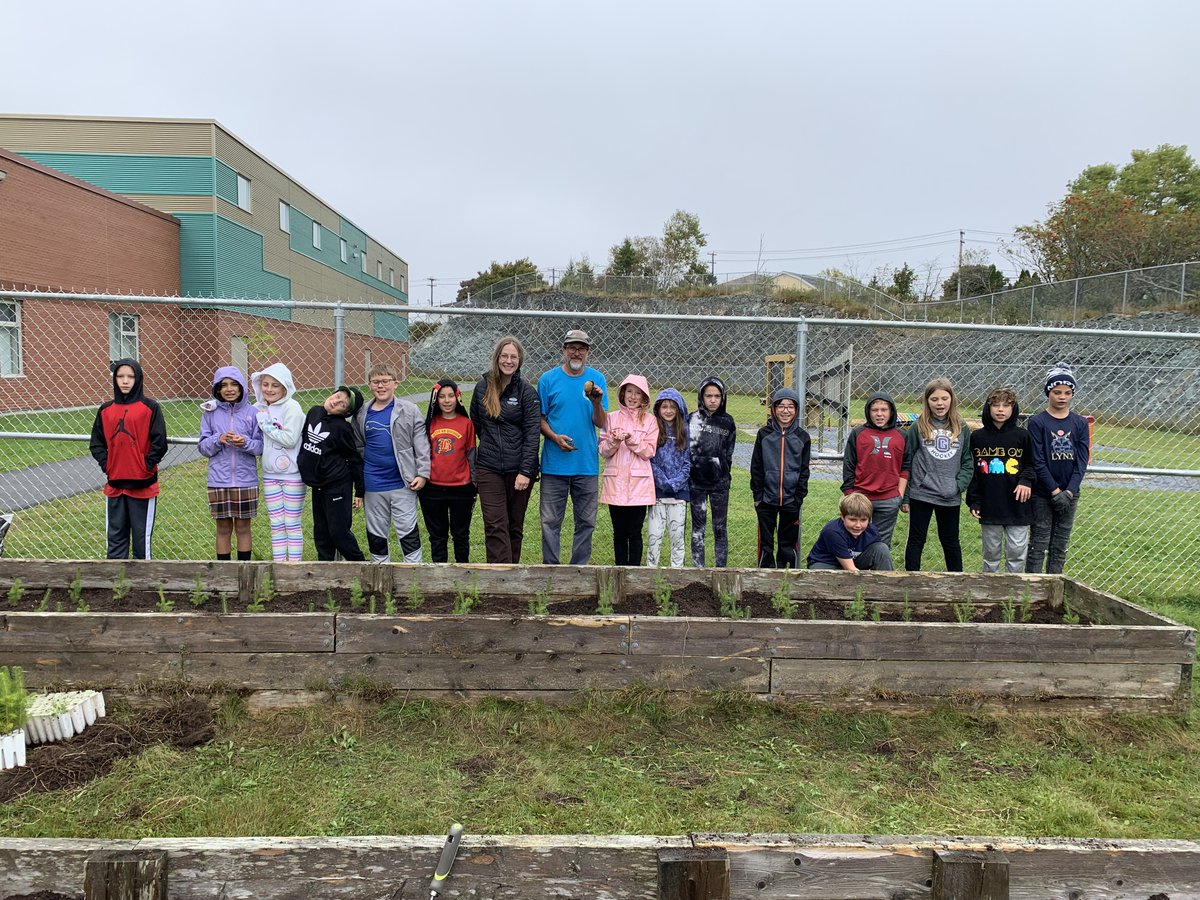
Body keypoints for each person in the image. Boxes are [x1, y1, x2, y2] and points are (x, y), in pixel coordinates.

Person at [539, 328, 608, 565]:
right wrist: (554, 437)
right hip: (554, 464)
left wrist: (596, 403)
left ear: (588, 352)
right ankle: (552, 571)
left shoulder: (597, 380)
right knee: (549, 522)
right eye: (572, 347)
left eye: (581, 348)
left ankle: (578, 570)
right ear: (563, 350)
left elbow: (601, 422)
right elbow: (540, 418)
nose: (576, 352)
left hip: (585, 464)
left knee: (586, 522)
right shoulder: (547, 380)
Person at [471, 336, 541, 563]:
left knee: (514, 525)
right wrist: (493, 447)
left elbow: (532, 434)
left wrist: (524, 471)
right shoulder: (482, 387)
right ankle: (499, 576)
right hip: (488, 468)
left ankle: (511, 576)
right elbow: (477, 424)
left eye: (513, 357)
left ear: (519, 361)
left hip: (519, 470)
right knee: (494, 524)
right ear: (497, 358)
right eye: (504, 356)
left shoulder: (527, 392)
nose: (508, 361)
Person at [89, 358, 168, 560]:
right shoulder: (106, 410)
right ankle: (117, 585)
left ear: (138, 379)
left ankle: (142, 586)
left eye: (130, 376)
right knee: (115, 539)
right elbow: (96, 443)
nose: (125, 381)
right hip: (115, 485)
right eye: (120, 376)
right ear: (114, 379)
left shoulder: (150, 408)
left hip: (143, 485)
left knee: (142, 541)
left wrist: (145, 466)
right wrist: (108, 465)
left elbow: (159, 442)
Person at [352, 364, 431, 564]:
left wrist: (422, 473)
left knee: (407, 529)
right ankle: (380, 570)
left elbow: (421, 443)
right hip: (373, 484)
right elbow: (358, 444)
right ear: (369, 385)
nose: (381, 386)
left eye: (385, 381)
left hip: (402, 482)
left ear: (395, 383)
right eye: (376, 382)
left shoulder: (409, 410)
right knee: (376, 531)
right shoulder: (362, 413)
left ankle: (412, 572)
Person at [901, 377, 972, 571]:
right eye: (934, 399)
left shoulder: (962, 427)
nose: (939, 403)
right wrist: (905, 497)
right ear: (927, 401)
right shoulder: (918, 427)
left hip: (950, 495)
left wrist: (957, 486)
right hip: (921, 493)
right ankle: (911, 581)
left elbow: (967, 461)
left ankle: (957, 582)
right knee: (917, 539)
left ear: (951, 399)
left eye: (944, 398)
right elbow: (907, 461)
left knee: (950, 541)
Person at [1026, 362, 1090, 574]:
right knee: (1039, 543)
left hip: (1070, 493)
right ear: (1048, 392)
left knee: (1060, 544)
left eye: (1067, 392)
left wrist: (1069, 491)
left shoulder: (1079, 423)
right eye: (1057, 392)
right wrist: (1054, 490)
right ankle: (1032, 589)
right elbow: (1038, 459)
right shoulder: (1037, 422)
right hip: (1044, 493)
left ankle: (1054, 585)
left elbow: (1082, 460)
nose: (1062, 396)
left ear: (1072, 394)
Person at [966, 387, 1034, 573]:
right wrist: (975, 500)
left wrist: (1026, 481)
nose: (1001, 409)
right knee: (991, 553)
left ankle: (1014, 592)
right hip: (990, 505)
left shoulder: (1023, 436)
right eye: (996, 405)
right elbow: (974, 472)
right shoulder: (977, 437)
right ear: (989, 408)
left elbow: (1031, 464)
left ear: (1014, 409)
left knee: (1016, 552)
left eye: (1006, 405)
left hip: (1017, 505)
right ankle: (991, 590)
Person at [198, 366, 263, 561]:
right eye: (223, 385)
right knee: (223, 527)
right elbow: (203, 446)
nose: (229, 389)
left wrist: (245, 442)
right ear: (217, 389)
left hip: (246, 480)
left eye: (234, 384)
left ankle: (244, 571)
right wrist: (218, 439)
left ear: (242, 387)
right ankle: (224, 572)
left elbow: (260, 447)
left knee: (243, 527)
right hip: (218, 480)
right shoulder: (211, 412)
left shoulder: (253, 413)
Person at [299, 386, 366, 562]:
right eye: (337, 396)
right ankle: (326, 569)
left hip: (337, 485)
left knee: (338, 532)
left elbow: (354, 459)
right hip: (318, 484)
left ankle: (362, 566)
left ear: (346, 412)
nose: (336, 401)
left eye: (342, 404)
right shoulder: (314, 412)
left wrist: (359, 491)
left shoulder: (342, 428)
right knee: (321, 531)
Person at [600, 374, 659, 566]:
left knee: (635, 532)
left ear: (644, 398)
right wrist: (614, 441)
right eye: (629, 392)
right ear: (622, 394)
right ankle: (620, 570)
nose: (633, 397)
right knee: (619, 532)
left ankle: (634, 570)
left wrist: (632, 440)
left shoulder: (650, 421)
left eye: (638, 394)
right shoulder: (610, 418)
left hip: (638, 486)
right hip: (615, 484)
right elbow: (603, 450)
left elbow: (649, 451)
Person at [750, 387, 811, 568]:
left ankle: (786, 577)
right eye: (781, 406)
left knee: (787, 543)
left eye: (790, 406)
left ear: (797, 410)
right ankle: (765, 577)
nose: (785, 411)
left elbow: (804, 470)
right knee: (766, 544)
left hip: (791, 500)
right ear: (773, 409)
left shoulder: (803, 437)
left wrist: (798, 497)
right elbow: (756, 467)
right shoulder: (764, 435)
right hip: (766, 500)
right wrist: (758, 496)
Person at [251, 362, 307, 562]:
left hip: (292, 475)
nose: (269, 389)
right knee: (276, 523)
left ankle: (293, 567)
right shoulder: (258, 408)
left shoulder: (292, 407)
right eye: (265, 384)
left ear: (285, 387)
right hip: (270, 475)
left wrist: (266, 424)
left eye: (275, 385)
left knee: (291, 522)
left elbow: (290, 439)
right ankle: (279, 565)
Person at [841, 392, 908, 549]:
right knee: (855, 538)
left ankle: (877, 572)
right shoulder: (858, 433)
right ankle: (855, 571)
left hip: (889, 498)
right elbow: (849, 464)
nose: (879, 414)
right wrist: (850, 494)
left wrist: (900, 495)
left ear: (891, 412)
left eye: (884, 410)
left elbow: (906, 467)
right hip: (860, 496)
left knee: (881, 543)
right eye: (875, 410)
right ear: (868, 412)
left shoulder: (902, 435)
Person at [421, 379, 477, 563]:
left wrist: (474, 483)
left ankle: (463, 571)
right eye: (442, 397)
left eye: (451, 396)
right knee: (437, 536)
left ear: (457, 397)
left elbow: (471, 455)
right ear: (435, 400)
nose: (446, 401)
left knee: (461, 534)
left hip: (461, 488)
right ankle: (439, 573)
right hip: (433, 488)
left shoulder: (466, 423)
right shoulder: (429, 423)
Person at [687, 376, 737, 567]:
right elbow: (686, 449)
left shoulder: (727, 422)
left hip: (719, 485)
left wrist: (722, 473)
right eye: (709, 396)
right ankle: (698, 569)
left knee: (720, 528)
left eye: (717, 396)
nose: (713, 400)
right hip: (697, 483)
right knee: (698, 528)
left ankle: (720, 570)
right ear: (702, 396)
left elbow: (729, 453)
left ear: (723, 397)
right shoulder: (691, 419)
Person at [647, 388, 691, 568]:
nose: (668, 410)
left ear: (679, 409)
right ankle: (650, 574)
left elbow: (688, 462)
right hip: (657, 494)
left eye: (673, 406)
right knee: (654, 537)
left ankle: (677, 573)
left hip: (679, 495)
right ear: (658, 409)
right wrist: (663, 482)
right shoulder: (652, 429)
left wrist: (675, 483)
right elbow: (650, 459)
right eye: (664, 406)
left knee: (677, 538)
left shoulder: (685, 431)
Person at [807, 491, 893, 571]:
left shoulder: (872, 532)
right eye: (852, 520)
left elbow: (875, 557)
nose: (858, 525)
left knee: (881, 548)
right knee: (825, 577)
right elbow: (850, 569)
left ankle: (887, 583)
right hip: (827, 563)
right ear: (842, 517)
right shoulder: (833, 531)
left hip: (854, 561)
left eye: (863, 520)